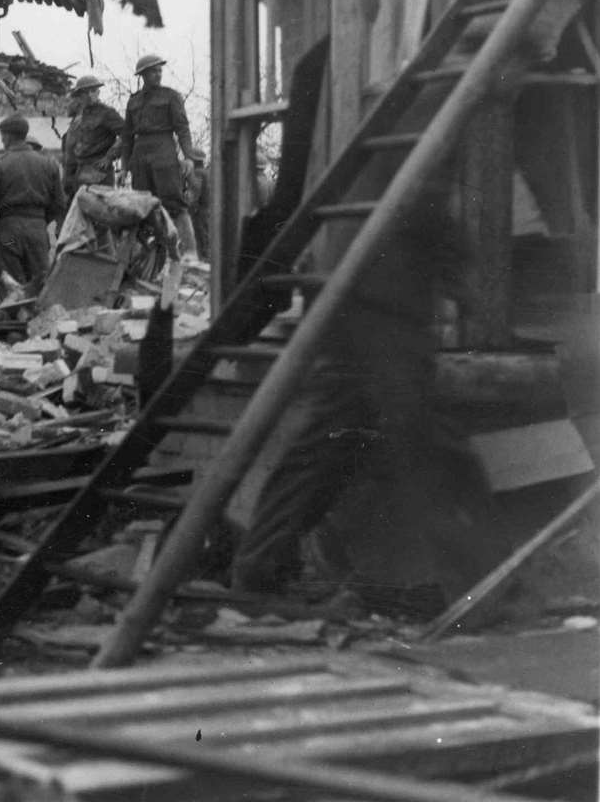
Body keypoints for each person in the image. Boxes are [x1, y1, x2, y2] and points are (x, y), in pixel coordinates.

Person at [230, 197, 479, 597]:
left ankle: (259, 565)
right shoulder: (413, 159)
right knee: (428, 444)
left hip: (356, 295)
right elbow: (424, 204)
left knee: (327, 443)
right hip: (384, 306)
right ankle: (482, 579)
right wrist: (459, 279)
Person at [122, 53, 200, 260]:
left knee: (173, 201)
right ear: (143, 75)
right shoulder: (133, 101)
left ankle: (190, 252)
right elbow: (127, 136)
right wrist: (123, 166)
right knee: (142, 204)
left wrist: (189, 157)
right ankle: (154, 256)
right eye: (153, 71)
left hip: (163, 149)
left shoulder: (171, 96)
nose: (158, 75)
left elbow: (182, 128)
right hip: (140, 153)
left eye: (159, 71)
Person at [0, 114, 65, 295]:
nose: (2, 140)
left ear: (8, 136)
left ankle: (11, 320)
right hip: (37, 233)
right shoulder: (49, 164)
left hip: (8, 235)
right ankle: (37, 322)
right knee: (39, 282)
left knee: (10, 283)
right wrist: (41, 220)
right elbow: (58, 203)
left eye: (2, 136)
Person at [61, 74, 124, 191]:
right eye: (86, 92)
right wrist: (68, 175)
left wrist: (109, 157)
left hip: (98, 172)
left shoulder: (107, 113)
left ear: (98, 92)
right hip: (79, 171)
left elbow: (126, 135)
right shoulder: (78, 117)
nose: (90, 95)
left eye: (93, 91)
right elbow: (70, 147)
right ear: (79, 96)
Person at [184, 148, 211, 261]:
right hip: (209, 210)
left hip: (200, 212)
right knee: (207, 238)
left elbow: (194, 194)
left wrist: (186, 208)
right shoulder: (208, 172)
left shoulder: (197, 173)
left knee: (200, 240)